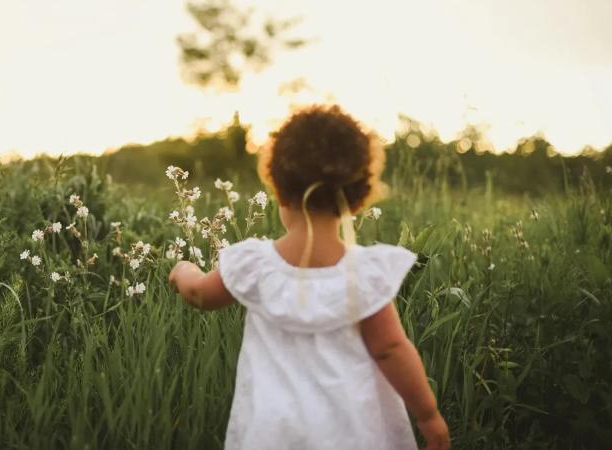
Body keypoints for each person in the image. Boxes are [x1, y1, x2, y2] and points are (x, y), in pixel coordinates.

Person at [168, 105, 451, 450]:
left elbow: (199, 294)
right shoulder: (362, 275)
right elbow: (391, 348)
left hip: (273, 434)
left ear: (278, 188)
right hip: (351, 433)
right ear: (357, 200)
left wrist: (183, 270)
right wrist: (428, 415)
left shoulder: (255, 264)